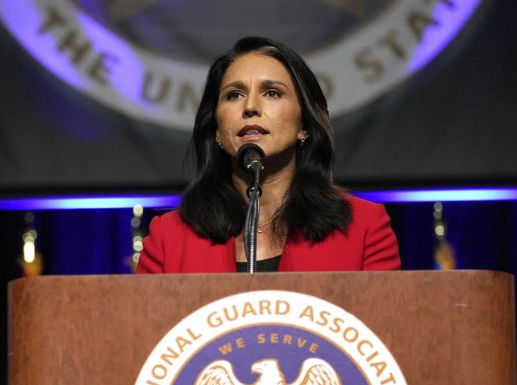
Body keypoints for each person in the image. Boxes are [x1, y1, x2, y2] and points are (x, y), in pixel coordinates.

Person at [136, 36, 400, 273]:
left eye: (272, 93)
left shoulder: (364, 228)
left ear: (304, 126)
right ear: (216, 129)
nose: (250, 107)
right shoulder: (168, 239)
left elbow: (381, 326)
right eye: (234, 95)